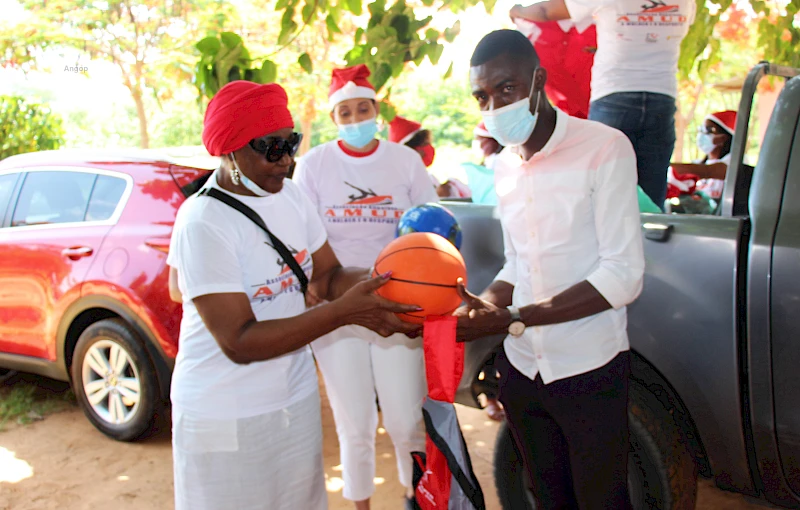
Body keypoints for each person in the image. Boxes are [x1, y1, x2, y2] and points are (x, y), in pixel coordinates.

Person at [167, 80, 420, 510]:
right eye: (270, 147)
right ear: (230, 150)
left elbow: (329, 274)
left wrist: (394, 286)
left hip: (293, 400)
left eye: (291, 144)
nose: (285, 160)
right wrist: (345, 313)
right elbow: (240, 341)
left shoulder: (292, 197)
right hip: (225, 413)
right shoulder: (204, 222)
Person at [456, 30, 645, 508]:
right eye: (482, 96)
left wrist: (516, 317)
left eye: (506, 88)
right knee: (545, 497)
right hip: (521, 371)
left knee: (603, 499)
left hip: (590, 368)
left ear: (538, 79)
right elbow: (518, 262)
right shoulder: (502, 168)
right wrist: (483, 306)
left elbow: (623, 274)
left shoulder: (604, 147)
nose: (494, 105)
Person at [293, 64, 439, 510]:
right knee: (353, 424)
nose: (356, 120)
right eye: (345, 113)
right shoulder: (314, 166)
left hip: (396, 306)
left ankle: (415, 499)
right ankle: (361, 505)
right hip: (336, 311)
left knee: (404, 421)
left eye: (363, 110)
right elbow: (299, 236)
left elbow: (431, 231)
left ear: (377, 110)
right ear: (334, 118)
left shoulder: (405, 162)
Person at [510, 0, 696, 207]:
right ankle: (648, 238)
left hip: (614, 97)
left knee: (598, 195)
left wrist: (518, 10)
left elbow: (546, 11)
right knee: (650, 201)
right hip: (662, 100)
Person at [389, 114, 471, 199]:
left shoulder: (429, 178)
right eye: (425, 144)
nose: (429, 148)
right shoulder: (397, 182)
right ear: (410, 150)